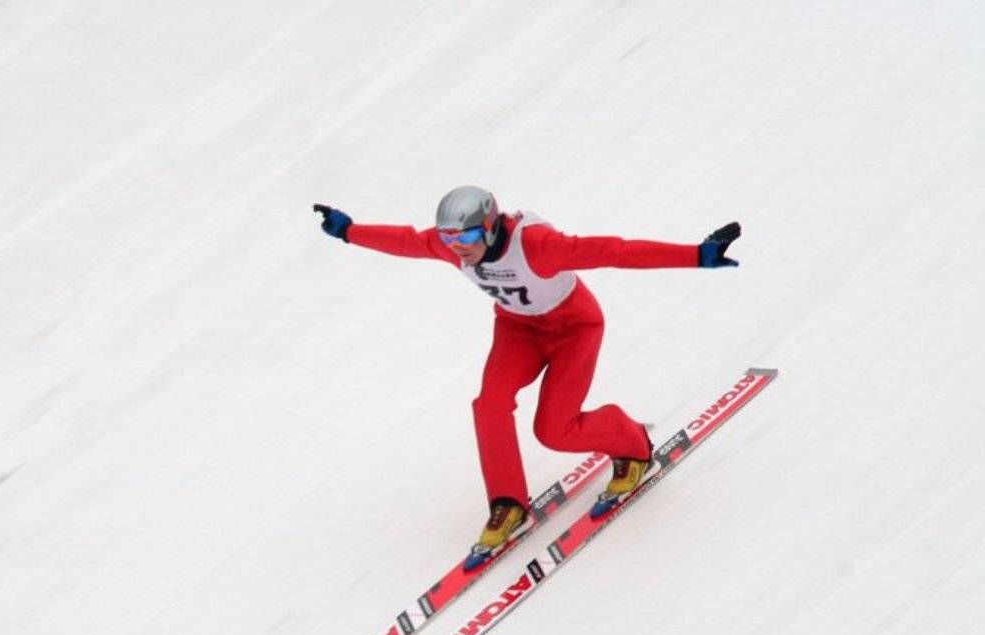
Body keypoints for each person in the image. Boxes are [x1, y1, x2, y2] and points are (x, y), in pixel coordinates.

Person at [313, 187, 740, 570]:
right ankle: (507, 503)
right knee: (489, 404)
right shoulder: (452, 247)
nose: (456, 248)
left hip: (573, 328)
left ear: (489, 226)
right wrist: (349, 231)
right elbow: (407, 241)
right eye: (448, 239)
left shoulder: (536, 246)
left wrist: (696, 255)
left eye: (464, 237)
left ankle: (630, 444)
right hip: (518, 330)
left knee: (554, 431)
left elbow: (615, 251)